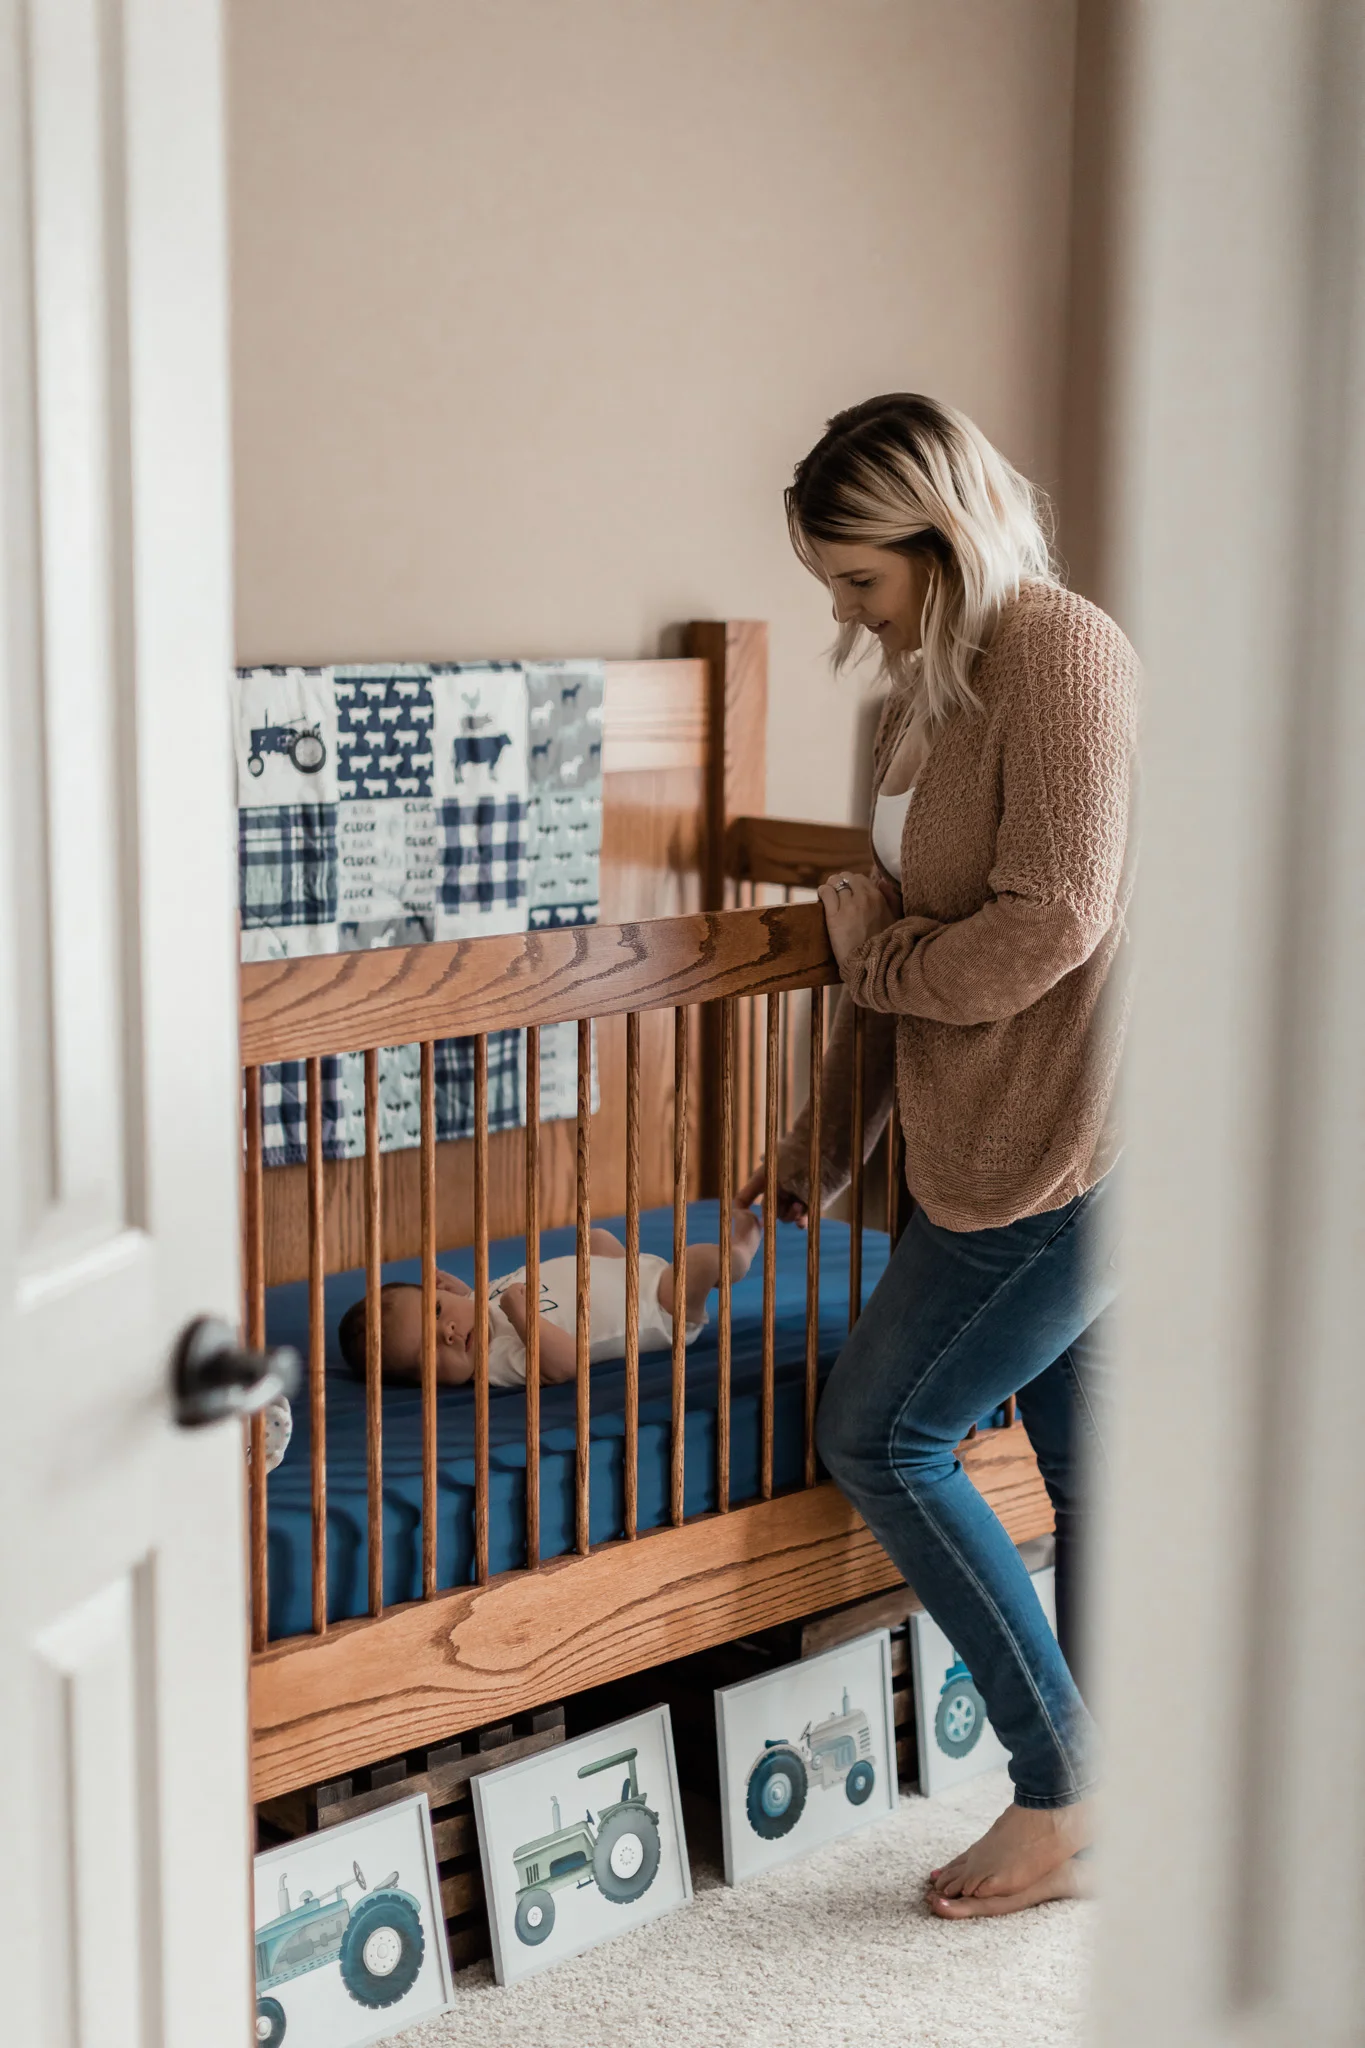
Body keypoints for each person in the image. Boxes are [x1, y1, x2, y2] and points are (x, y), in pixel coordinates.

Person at [742, 393, 1137, 1918]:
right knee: (1089, 1471)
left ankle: (1061, 1791)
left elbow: (1050, 918)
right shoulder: (921, 694)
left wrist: (877, 965)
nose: (846, 612)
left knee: (883, 1435)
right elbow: (883, 947)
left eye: (859, 579)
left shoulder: (1061, 652)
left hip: (1071, 1142)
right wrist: (821, 1151)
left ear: (940, 532)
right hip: (974, 1139)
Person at [338, 1207, 762, 1386]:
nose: (447, 1331)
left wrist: (464, 1292)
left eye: (435, 1309)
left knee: (595, 1236)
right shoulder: (494, 1363)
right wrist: (523, 1316)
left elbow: (471, 1305)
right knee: (699, 1264)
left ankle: (631, 1260)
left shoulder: (476, 1305)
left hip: (619, 1270)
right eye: (427, 1350)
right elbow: (565, 1364)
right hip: (657, 1309)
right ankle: (738, 1253)